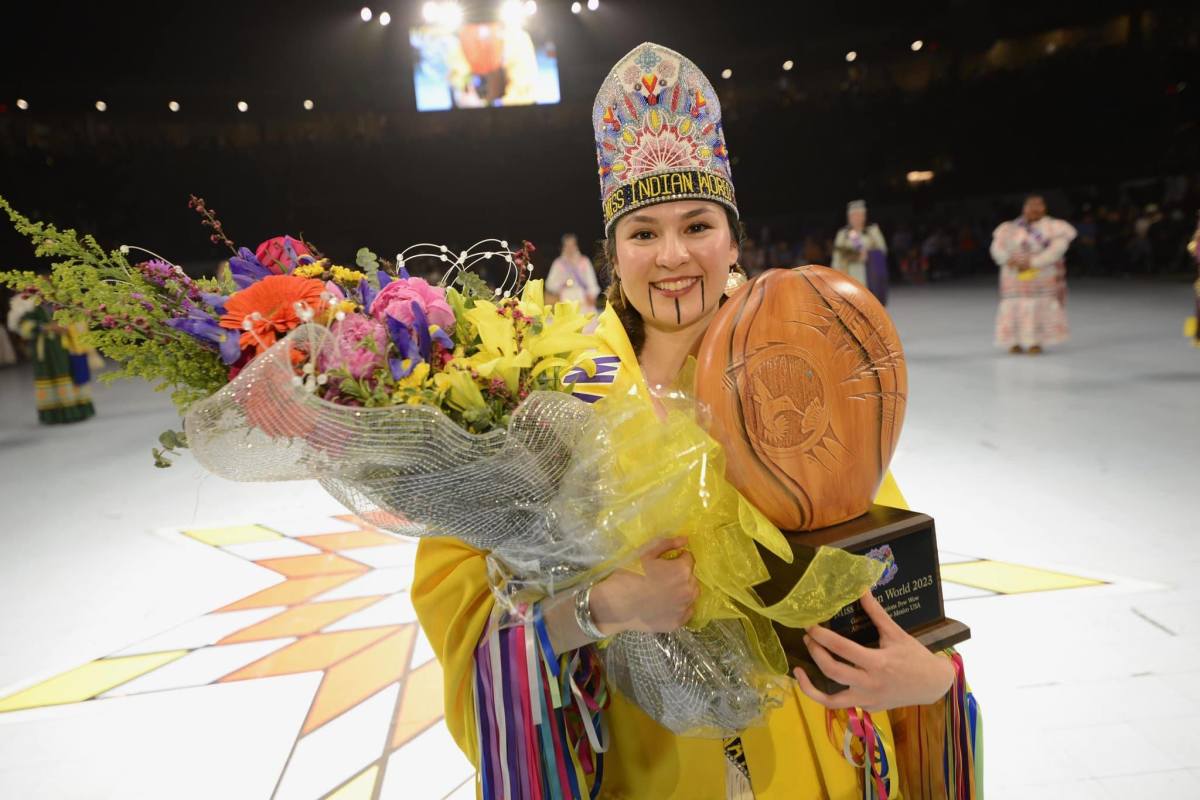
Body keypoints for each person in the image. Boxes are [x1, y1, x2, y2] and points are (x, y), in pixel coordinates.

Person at [413, 43, 976, 799]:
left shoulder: (806, 359)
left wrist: (929, 680)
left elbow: (878, 557)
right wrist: (603, 606)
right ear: (613, 253)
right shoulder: (543, 386)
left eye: (697, 225)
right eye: (643, 232)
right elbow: (466, 594)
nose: (673, 255)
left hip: (811, 748)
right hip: (643, 764)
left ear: (733, 238)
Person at [990, 195, 1076, 354]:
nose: (1034, 209)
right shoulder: (1009, 228)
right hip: (1013, 275)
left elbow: (1057, 249)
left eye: (1039, 205)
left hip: (1040, 275)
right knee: (1013, 307)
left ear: (1044, 207)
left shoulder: (1054, 227)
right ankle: (1013, 341)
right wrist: (1007, 259)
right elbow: (997, 247)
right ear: (1024, 207)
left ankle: (1035, 341)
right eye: (1030, 205)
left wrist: (1033, 262)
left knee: (1037, 307)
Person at [6, 293, 96, 424]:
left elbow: (77, 318)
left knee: (73, 375)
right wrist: (47, 327)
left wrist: (71, 328)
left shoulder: (59, 297)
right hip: (45, 349)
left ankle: (79, 410)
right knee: (51, 377)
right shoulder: (24, 303)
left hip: (67, 345)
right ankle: (54, 414)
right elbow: (22, 326)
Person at [832, 200, 888, 303]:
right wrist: (837, 277)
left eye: (859, 215)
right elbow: (837, 257)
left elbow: (882, 250)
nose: (856, 218)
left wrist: (869, 255)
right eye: (853, 215)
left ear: (864, 216)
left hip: (870, 277)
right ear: (849, 217)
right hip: (850, 276)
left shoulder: (872, 231)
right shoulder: (843, 234)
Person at [545, 233, 602, 313]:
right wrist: (562, 283)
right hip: (564, 299)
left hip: (582, 299)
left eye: (572, 245)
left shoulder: (584, 261)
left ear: (576, 246)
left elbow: (591, 281)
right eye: (567, 245)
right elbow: (550, 284)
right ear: (563, 247)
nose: (570, 248)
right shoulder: (558, 263)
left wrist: (592, 295)